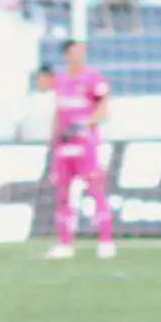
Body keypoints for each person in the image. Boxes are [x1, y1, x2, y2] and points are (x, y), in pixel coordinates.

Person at [46, 40, 116, 260]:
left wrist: (85, 124)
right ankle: (65, 243)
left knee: (96, 190)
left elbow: (104, 109)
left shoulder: (94, 79)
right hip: (63, 146)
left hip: (85, 144)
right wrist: (53, 141)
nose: (80, 55)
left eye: (82, 51)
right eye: (75, 51)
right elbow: (58, 113)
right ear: (67, 54)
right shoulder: (60, 81)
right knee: (63, 195)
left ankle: (105, 241)